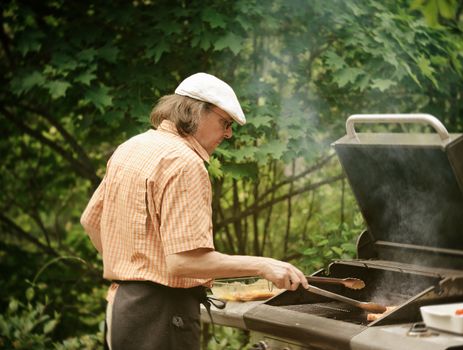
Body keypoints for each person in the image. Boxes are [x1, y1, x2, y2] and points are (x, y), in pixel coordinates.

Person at [80, 72, 309, 350]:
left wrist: (135, 269)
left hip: (123, 309)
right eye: (224, 123)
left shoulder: (132, 147)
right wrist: (264, 265)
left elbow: (90, 220)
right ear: (195, 111)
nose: (228, 133)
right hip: (161, 317)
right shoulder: (185, 162)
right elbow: (185, 262)